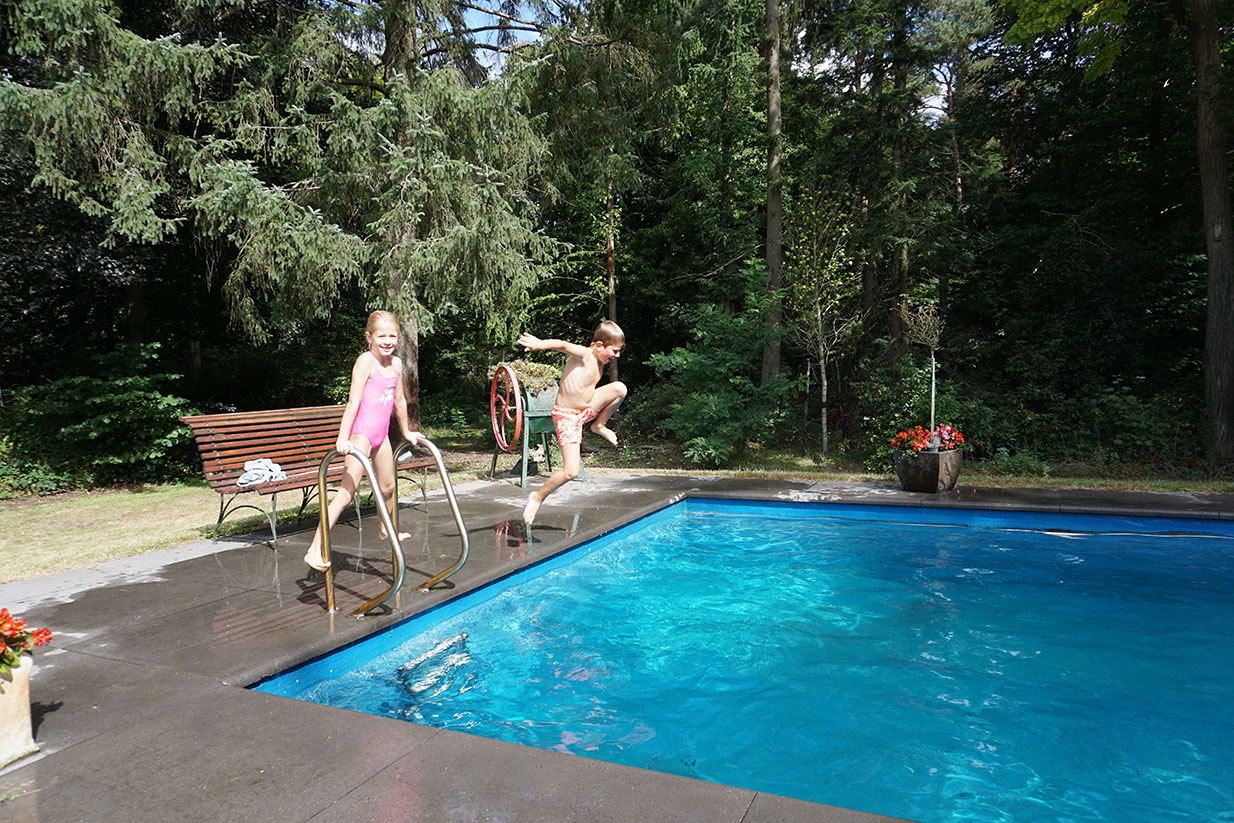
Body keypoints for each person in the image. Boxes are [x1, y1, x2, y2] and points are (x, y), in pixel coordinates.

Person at [303, 310, 422, 571]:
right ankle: (314, 549)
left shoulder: (396, 364)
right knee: (346, 493)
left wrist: (407, 432)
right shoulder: (365, 362)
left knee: (388, 487)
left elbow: (399, 401)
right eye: (381, 336)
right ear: (369, 337)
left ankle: (385, 528)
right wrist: (342, 438)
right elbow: (353, 402)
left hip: (381, 437)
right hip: (361, 436)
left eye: (392, 336)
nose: (387, 341)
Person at [518, 320, 627, 526]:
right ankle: (537, 497)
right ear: (599, 345)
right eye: (614, 351)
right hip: (567, 416)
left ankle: (599, 426)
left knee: (620, 388)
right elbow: (563, 345)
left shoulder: (600, 363)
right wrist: (540, 344)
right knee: (571, 471)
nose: (617, 355)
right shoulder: (585, 355)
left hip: (586, 410)